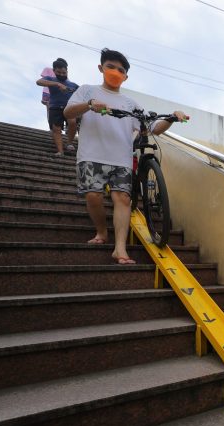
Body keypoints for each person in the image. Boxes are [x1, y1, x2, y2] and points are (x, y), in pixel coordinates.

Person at [64, 48, 186, 265]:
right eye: (110, 67)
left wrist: (172, 118)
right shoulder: (86, 91)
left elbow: (153, 128)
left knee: (123, 199)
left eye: (120, 70)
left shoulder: (131, 103)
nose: (115, 72)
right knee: (93, 196)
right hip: (90, 155)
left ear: (126, 76)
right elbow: (68, 113)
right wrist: (90, 105)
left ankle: (120, 250)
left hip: (121, 159)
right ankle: (102, 231)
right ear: (101, 68)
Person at [36, 58, 78, 155]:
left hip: (69, 107)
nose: (62, 75)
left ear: (67, 71)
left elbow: (84, 93)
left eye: (64, 72)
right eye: (59, 72)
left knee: (72, 122)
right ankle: (60, 151)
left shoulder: (72, 84)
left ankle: (70, 143)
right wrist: (57, 84)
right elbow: (38, 82)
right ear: (54, 71)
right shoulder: (50, 79)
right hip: (55, 107)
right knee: (56, 129)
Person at [39, 58, 66, 123]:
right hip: (48, 91)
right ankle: (51, 126)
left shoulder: (63, 73)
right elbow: (43, 80)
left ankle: (54, 125)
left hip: (57, 93)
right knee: (50, 109)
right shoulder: (48, 69)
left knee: (54, 109)